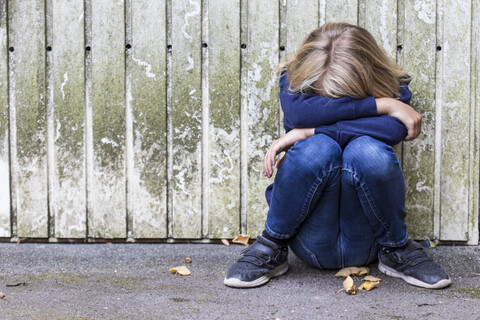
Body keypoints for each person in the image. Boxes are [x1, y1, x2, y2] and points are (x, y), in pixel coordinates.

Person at [224, 22, 451, 289]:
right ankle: (271, 245)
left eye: (343, 97)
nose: (333, 103)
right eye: (324, 99)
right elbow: (299, 115)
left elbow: (392, 129)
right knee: (319, 148)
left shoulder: (394, 86)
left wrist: (306, 131)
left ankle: (397, 250)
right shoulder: (293, 78)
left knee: (366, 149)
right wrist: (382, 106)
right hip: (309, 240)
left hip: (370, 241)